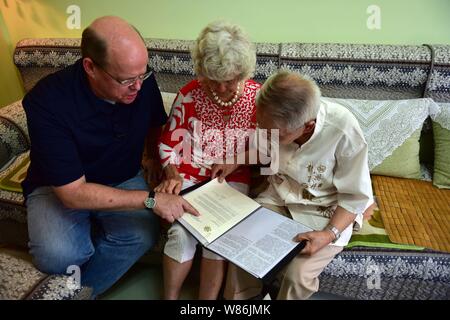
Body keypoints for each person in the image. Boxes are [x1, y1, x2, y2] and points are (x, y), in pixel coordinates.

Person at [22, 16, 198, 298]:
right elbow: (72, 193)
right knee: (59, 255)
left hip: (122, 176)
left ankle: (78, 294)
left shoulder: (142, 82)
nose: (138, 88)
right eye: (126, 80)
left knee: (140, 235)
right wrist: (151, 199)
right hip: (60, 187)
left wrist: (153, 157)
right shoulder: (46, 101)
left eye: (142, 75)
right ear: (90, 67)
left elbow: (155, 123)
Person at [212, 70, 373, 299]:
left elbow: (355, 196)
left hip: (324, 210)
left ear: (307, 126)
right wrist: (234, 160)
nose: (267, 135)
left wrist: (329, 234)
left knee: (297, 275)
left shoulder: (342, 129)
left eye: (276, 135)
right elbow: (264, 149)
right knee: (242, 249)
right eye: (262, 126)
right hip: (278, 196)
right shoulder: (272, 119)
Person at [156, 20, 260, 300]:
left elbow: (269, 148)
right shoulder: (190, 94)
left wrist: (236, 161)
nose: (224, 87)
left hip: (230, 179)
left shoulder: (258, 98)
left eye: (231, 78)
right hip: (189, 174)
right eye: (215, 79)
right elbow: (167, 146)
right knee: (181, 232)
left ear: (244, 70)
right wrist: (173, 174)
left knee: (217, 235)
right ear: (203, 71)